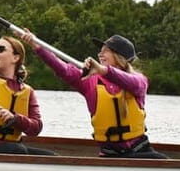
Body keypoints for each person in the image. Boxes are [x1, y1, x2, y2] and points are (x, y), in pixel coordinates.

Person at [19, 30, 167, 159]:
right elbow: (63, 69)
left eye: (106, 51)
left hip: (140, 151)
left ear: (119, 56)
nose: (100, 54)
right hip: (110, 154)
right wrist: (36, 46)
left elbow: (130, 81)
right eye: (100, 51)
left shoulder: (139, 81)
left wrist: (103, 71)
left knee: (164, 163)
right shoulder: (90, 82)